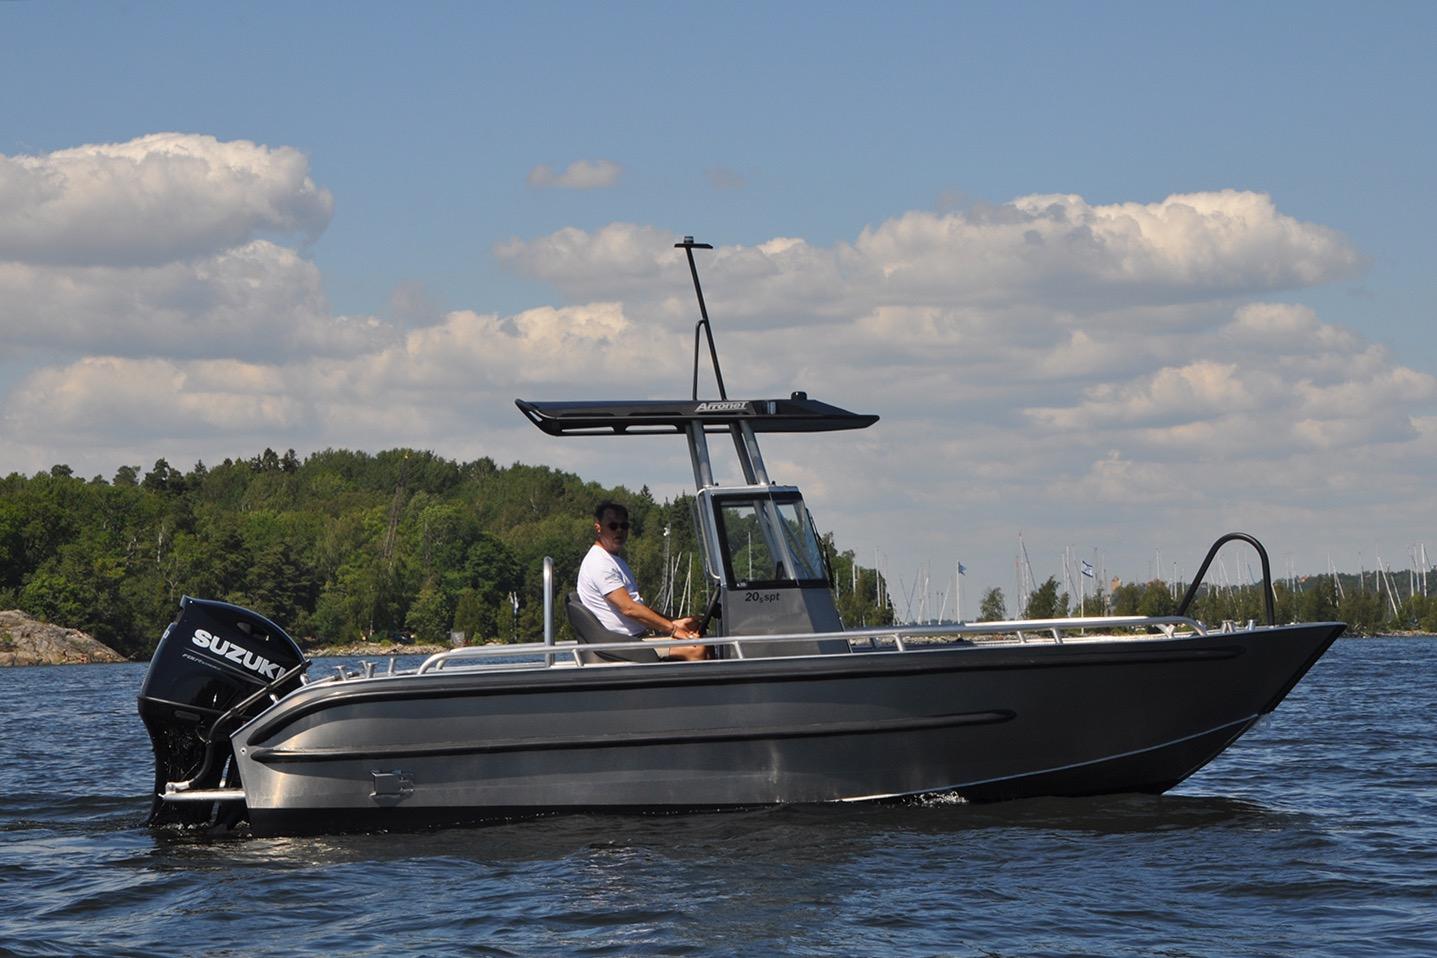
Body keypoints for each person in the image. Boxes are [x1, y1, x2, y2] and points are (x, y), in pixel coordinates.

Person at [577, 500, 709, 661]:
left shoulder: (614, 560)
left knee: (705, 640)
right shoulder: (600, 563)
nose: (619, 531)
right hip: (623, 644)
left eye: (624, 526)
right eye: (612, 526)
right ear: (598, 528)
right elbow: (629, 608)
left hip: (635, 638)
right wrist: (673, 630)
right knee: (696, 649)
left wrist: (675, 622)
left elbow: (637, 607)